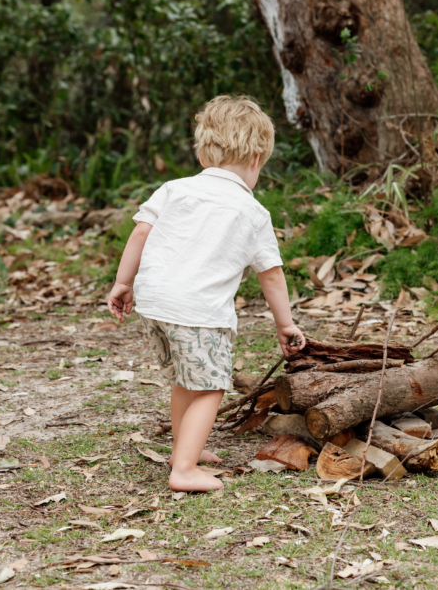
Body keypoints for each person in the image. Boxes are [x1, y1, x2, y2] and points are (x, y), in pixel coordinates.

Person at [106, 95, 306, 492]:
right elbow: (270, 275)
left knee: (186, 380)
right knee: (211, 386)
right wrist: (284, 324)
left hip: (155, 302)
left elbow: (141, 232)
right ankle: (182, 470)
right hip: (198, 310)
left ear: (204, 154)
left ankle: (187, 449)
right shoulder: (253, 212)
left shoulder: (174, 189)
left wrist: (123, 282)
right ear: (256, 160)